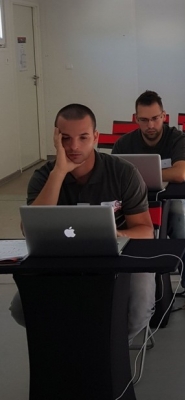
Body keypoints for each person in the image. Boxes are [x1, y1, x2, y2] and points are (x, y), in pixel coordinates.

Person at [10, 103, 156, 343]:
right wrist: (59, 172)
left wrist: (116, 235)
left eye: (83, 137)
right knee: (21, 309)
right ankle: (75, 345)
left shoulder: (123, 173)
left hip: (119, 256)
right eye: (65, 138)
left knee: (137, 312)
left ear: (96, 137)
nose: (74, 146)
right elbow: (29, 230)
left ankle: (110, 347)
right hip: (62, 258)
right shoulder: (44, 176)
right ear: (56, 138)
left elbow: (146, 230)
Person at [112, 90, 185, 311]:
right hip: (133, 201)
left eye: (155, 118)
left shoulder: (178, 139)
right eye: (144, 119)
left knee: (179, 216)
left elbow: (180, 174)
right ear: (136, 119)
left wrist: (133, 177)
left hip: (174, 198)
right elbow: (113, 179)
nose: (150, 125)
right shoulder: (123, 144)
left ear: (164, 116)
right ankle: (124, 282)